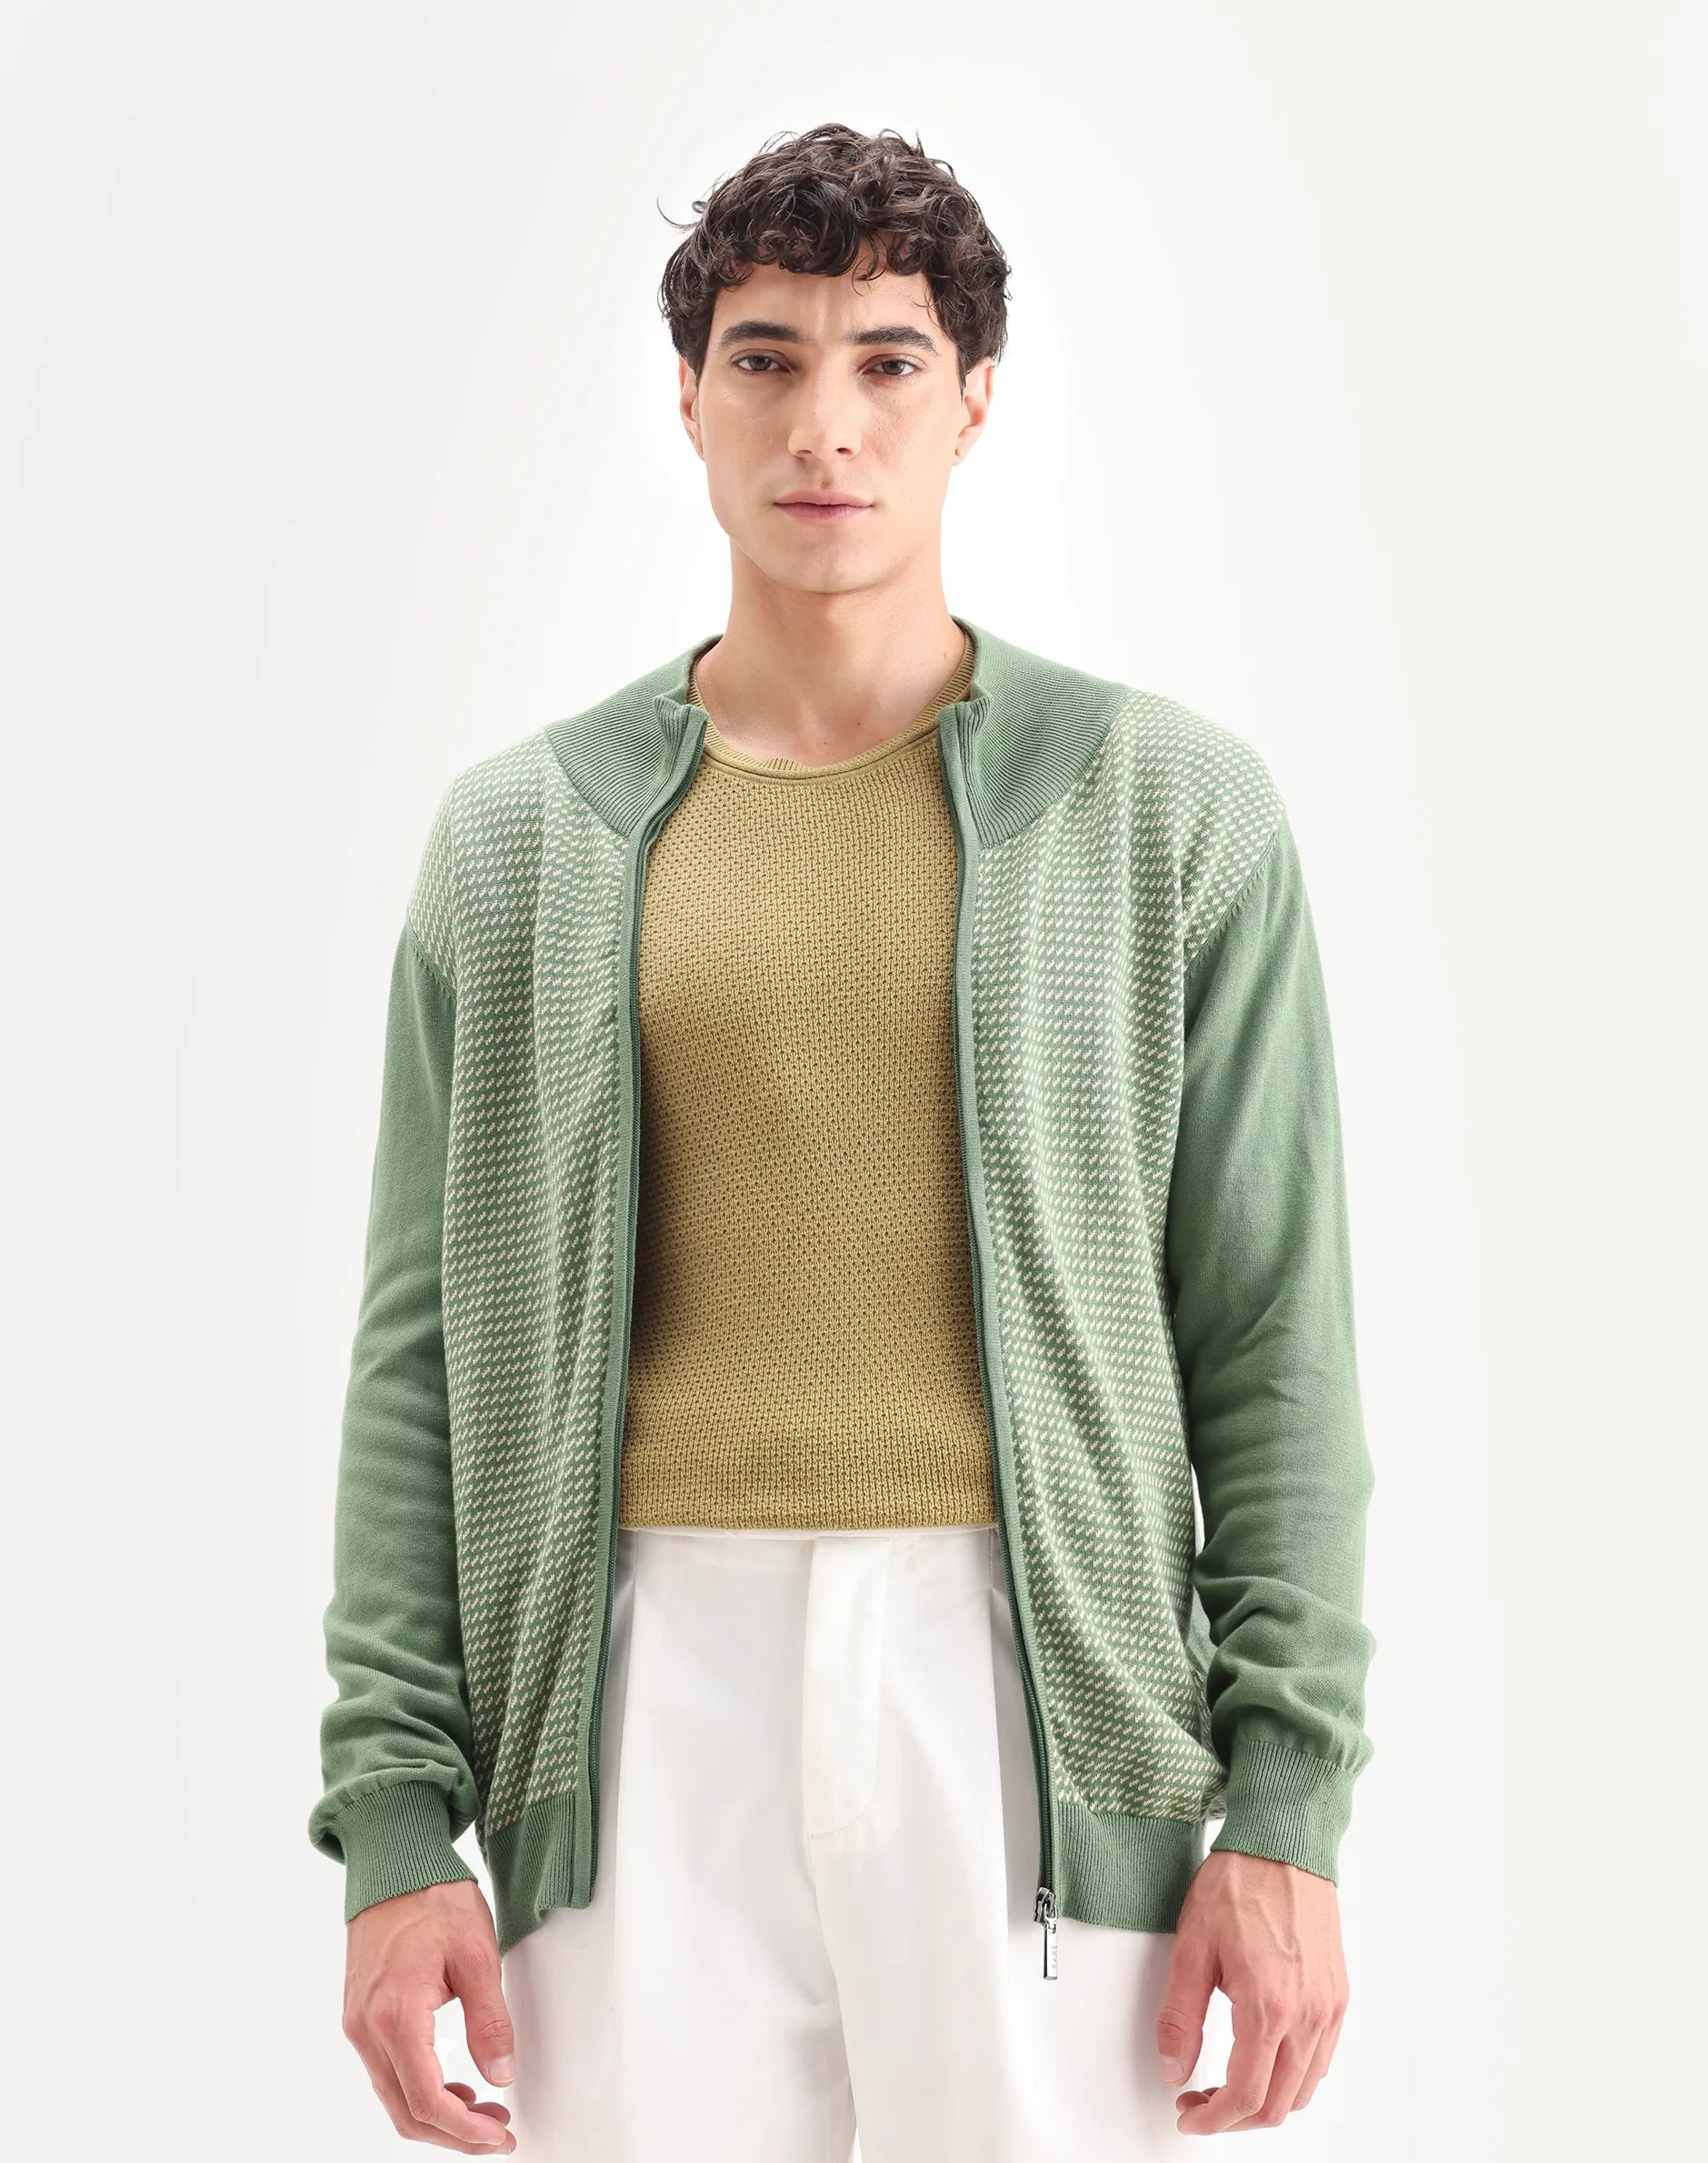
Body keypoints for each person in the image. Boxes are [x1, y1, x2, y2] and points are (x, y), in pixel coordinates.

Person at [307, 121, 1377, 2160]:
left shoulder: (1165, 811)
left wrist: (1288, 1804)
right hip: (626, 1692)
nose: (825, 423)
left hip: (1039, 1690)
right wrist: (392, 1820)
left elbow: (1271, 1340)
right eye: (767, 358)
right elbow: (417, 1358)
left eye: (889, 360)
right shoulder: (521, 842)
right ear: (689, 399)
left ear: (975, 400)